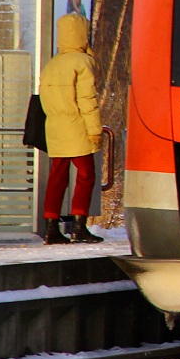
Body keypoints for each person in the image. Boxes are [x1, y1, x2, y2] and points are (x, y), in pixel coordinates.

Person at [39, 13, 103, 244]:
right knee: (86, 175)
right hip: (76, 125)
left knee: (57, 176)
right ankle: (79, 225)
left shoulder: (52, 64)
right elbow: (87, 100)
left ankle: (50, 227)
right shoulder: (83, 62)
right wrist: (94, 130)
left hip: (54, 125)